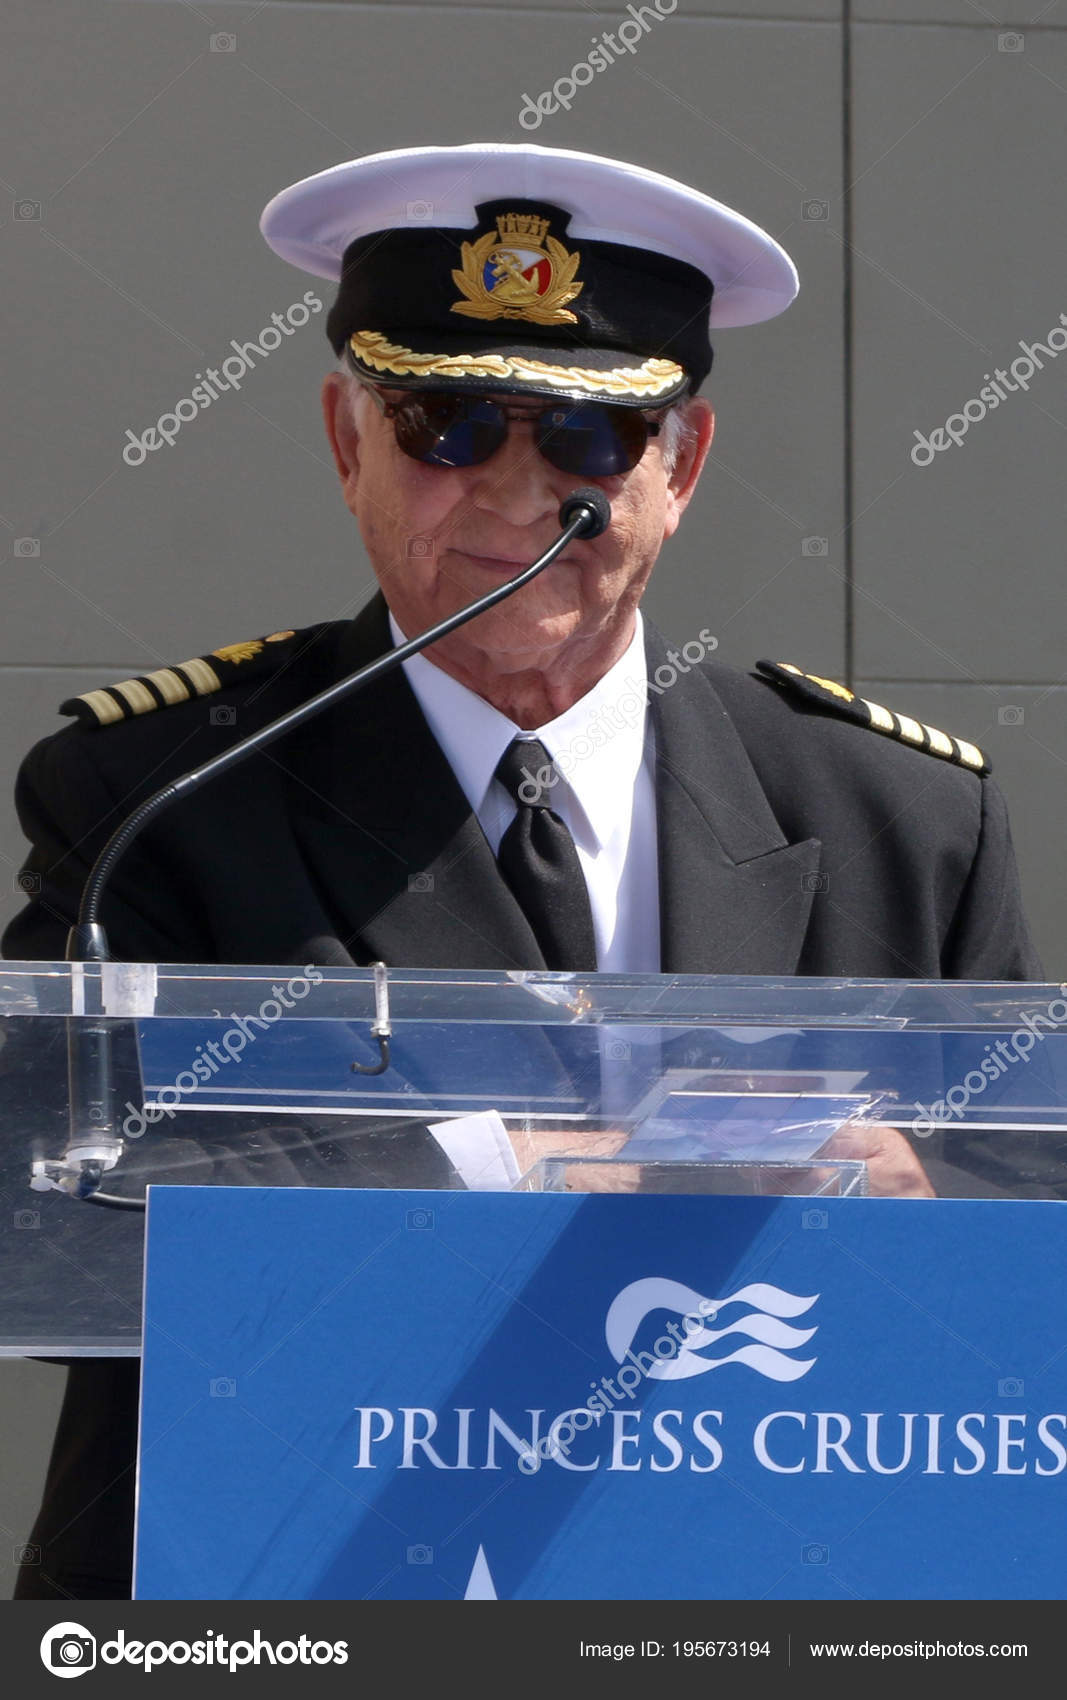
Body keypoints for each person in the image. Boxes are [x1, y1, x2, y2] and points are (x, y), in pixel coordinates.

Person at [3, 141, 1040, 1600]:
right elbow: (51, 1213)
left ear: (681, 468)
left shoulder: (897, 815)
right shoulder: (162, 797)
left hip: (753, 1600)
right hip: (274, 1591)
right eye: (445, 425)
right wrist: (505, 1169)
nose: (511, 492)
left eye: (588, 441)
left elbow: (1025, 1210)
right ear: (341, 438)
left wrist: (919, 1203)